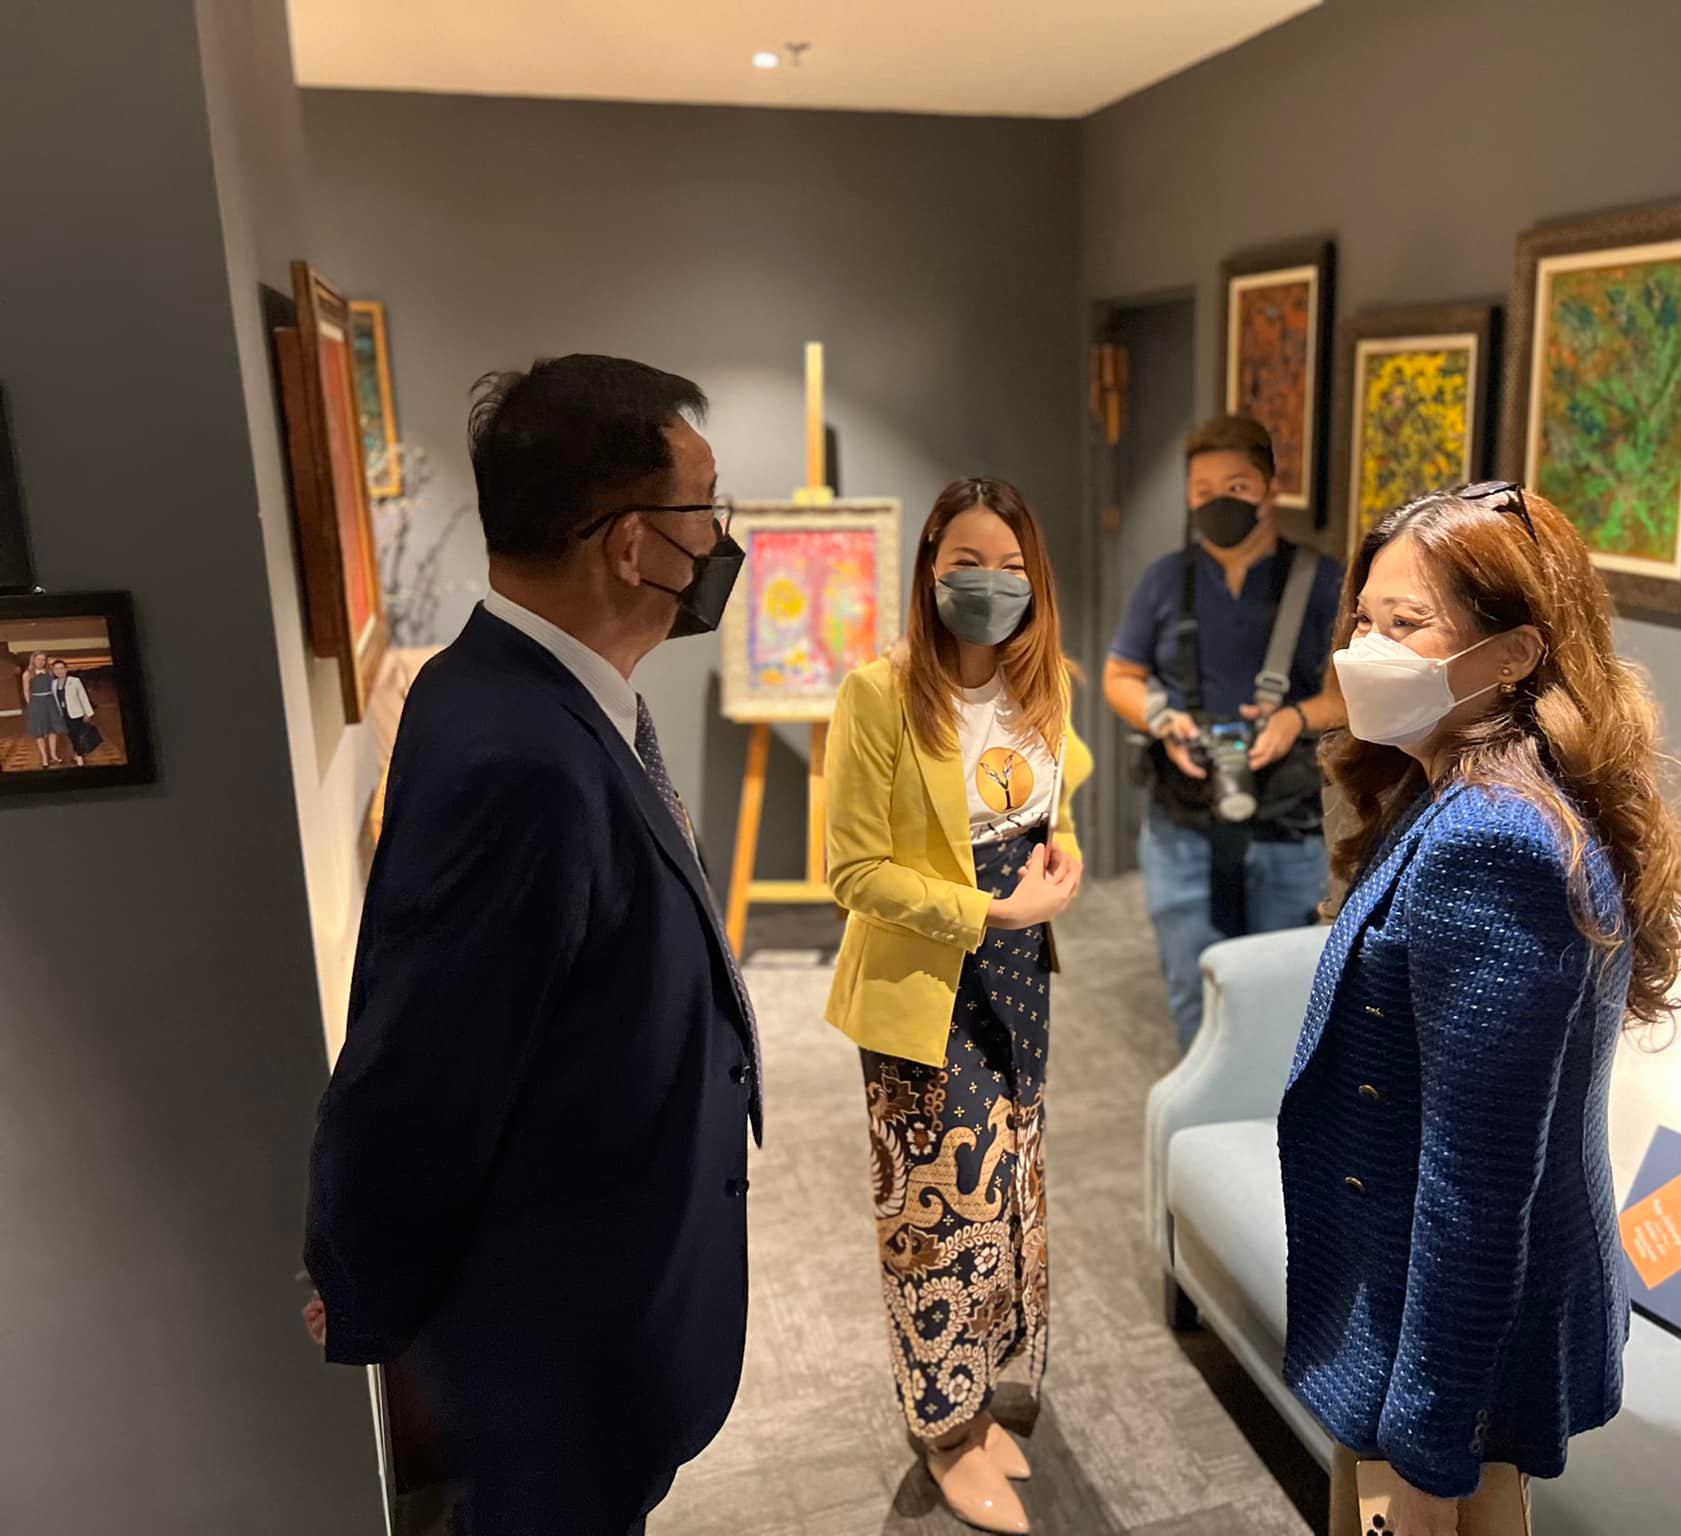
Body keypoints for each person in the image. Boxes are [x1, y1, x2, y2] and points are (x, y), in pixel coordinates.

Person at [304, 354, 761, 1536]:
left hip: (594, 1308)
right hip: (564, 1350)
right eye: (705, 507)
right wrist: (362, 1280)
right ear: (631, 545)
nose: (720, 538)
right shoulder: (523, 760)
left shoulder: (503, 686)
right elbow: (421, 1065)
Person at [1280, 483, 1681, 1536]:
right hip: (1418, 1315)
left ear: (1510, 655)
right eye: (1363, 620)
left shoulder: (1493, 838)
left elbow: (1476, 1185)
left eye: (1406, 623)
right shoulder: (1459, 787)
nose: (1365, 650)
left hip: (1450, 1350)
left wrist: (1429, 1457)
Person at [823, 477, 1091, 1536]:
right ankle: (944, 1428)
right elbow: (853, 872)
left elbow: (1049, 803)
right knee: (936, 1217)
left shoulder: (1045, 683)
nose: (988, 583)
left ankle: (979, 1400)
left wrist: (1058, 856)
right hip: (923, 989)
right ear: (929, 570)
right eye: (965, 564)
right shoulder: (878, 694)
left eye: (1009, 566)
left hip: (1019, 977)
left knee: (1009, 1195)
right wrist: (988, 908)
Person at [1103, 415, 1346, 1051]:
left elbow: (1350, 694)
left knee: (1284, 994)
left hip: (1286, 824)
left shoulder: (1322, 581)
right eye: (1203, 491)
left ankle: (1274, 1110)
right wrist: (1163, 720)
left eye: (1236, 487)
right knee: (1195, 988)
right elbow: (1120, 677)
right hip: (1182, 823)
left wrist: (1293, 718)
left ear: (1270, 489)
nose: (1218, 503)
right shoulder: (1165, 580)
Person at [52, 660, 100, 764]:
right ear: (53, 671)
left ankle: (79, 756)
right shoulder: (53, 683)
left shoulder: (75, 681)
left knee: (76, 735)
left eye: (61, 668)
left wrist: (88, 713)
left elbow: (83, 696)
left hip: (76, 713)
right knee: (71, 735)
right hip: (63, 714)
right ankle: (77, 753)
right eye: (56, 669)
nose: (59, 671)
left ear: (66, 669)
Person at [23, 651, 65, 768]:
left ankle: (53, 755)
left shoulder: (50, 672)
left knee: (53, 730)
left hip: (50, 701)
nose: (41, 662)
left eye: (43, 659)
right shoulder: (27, 674)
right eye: (38, 659)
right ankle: (44, 757)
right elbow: (26, 691)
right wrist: (31, 705)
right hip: (36, 703)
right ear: (33, 660)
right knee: (39, 731)